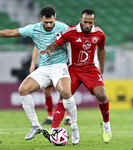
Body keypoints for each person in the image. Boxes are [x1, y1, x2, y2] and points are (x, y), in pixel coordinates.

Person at [0, 6, 79, 144]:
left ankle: (74, 125)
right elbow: (11, 32)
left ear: (55, 18)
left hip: (60, 66)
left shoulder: (63, 27)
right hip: (44, 68)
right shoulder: (34, 28)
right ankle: (35, 125)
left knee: (66, 92)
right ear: (41, 19)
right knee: (23, 90)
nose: (48, 25)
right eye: (45, 22)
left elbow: (77, 42)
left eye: (51, 22)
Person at [40, 9, 112, 143]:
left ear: (93, 22)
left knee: (102, 95)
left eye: (90, 23)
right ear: (80, 20)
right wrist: (49, 49)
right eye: (85, 22)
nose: (87, 25)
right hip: (72, 70)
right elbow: (55, 44)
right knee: (64, 95)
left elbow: (102, 49)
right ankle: (53, 130)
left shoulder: (99, 33)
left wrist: (101, 69)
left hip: (90, 69)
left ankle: (106, 125)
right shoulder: (70, 32)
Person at [30, 46, 71, 125]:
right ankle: (50, 117)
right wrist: (33, 62)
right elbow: (36, 46)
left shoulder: (60, 34)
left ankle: (68, 117)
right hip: (47, 65)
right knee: (47, 91)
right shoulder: (41, 34)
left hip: (61, 65)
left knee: (64, 90)